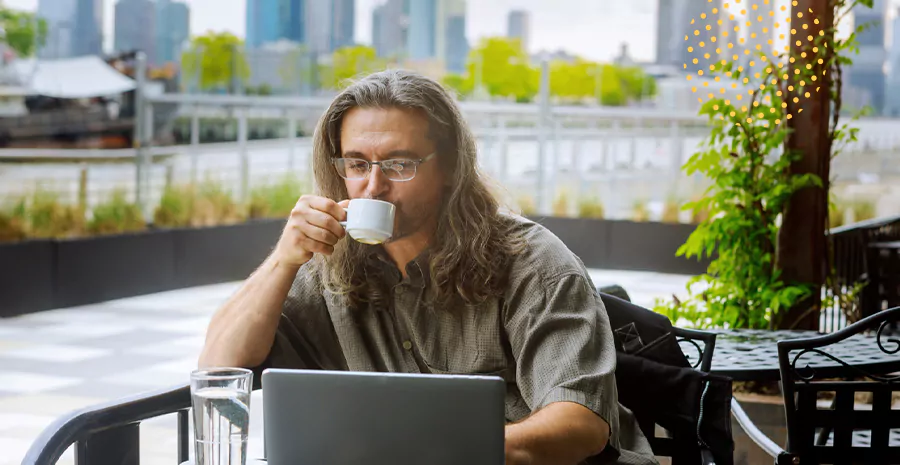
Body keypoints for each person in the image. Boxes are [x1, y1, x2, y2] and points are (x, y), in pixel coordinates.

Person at [199, 70, 657, 465]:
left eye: (399, 165)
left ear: (451, 168)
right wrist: (284, 259)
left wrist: (437, 451)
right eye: (357, 164)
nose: (373, 187)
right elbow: (217, 369)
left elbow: (579, 426)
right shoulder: (327, 267)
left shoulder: (532, 263)